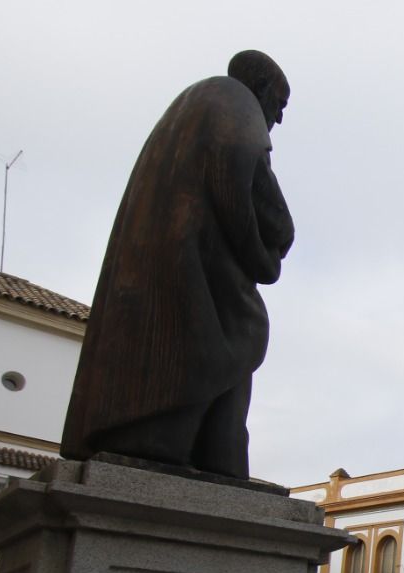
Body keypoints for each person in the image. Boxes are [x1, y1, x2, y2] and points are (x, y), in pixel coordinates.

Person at [61, 51, 294, 480]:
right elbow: (245, 174)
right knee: (226, 343)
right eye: (278, 106)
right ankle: (193, 450)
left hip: (180, 266)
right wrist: (266, 251)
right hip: (199, 274)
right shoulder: (234, 105)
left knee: (206, 357)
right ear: (262, 90)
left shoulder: (190, 109)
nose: (276, 122)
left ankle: (205, 451)